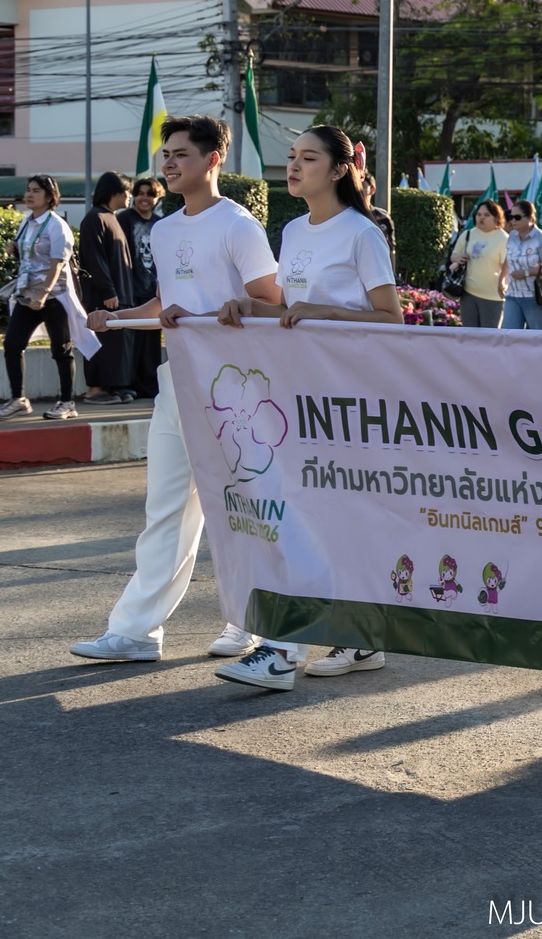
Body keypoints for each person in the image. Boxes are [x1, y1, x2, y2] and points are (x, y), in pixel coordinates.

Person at [70, 116, 282, 663]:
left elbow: (273, 302)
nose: (168, 163)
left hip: (235, 393)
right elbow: (166, 305)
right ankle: (136, 632)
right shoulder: (164, 230)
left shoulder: (238, 225)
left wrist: (228, 310)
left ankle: (248, 622)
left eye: (181, 153)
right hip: (177, 380)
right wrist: (115, 318)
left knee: (242, 509)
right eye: (166, 154)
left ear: (214, 159)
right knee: (165, 511)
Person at [211, 125, 404, 688]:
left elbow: (391, 319)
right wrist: (250, 306)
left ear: (341, 169)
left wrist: (327, 313)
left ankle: (283, 651)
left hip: (350, 396)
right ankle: (360, 640)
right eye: (292, 157)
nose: (293, 166)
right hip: (297, 393)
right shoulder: (294, 230)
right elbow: (293, 310)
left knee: (322, 517)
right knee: (313, 517)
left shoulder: (362, 233)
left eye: (308, 158)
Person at [1, 175, 84, 421]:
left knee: (61, 349)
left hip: (54, 296)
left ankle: (67, 402)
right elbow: (29, 255)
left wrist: (44, 292)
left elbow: (58, 263)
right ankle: (18, 400)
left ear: (50, 196)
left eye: (36, 191)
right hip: (27, 294)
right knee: (12, 345)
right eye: (28, 190)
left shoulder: (57, 225)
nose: (29, 194)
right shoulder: (26, 222)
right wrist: (14, 247)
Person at [76, 172, 138, 403]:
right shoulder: (94, 218)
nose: (129, 196)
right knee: (101, 340)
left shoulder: (111, 217)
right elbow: (95, 259)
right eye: (126, 191)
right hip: (103, 296)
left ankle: (114, 388)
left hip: (119, 294)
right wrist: (108, 291)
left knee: (115, 344)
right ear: (114, 192)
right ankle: (95, 390)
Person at [119, 177, 166, 398]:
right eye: (140, 193)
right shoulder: (124, 219)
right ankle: (129, 384)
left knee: (151, 344)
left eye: (150, 194)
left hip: (153, 292)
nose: (144, 198)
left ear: (157, 199)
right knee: (132, 343)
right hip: (131, 290)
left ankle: (149, 386)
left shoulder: (160, 224)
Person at [449, 200, 509, 329]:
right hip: (468, 293)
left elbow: (507, 264)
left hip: (493, 296)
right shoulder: (468, 234)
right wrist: (458, 258)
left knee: (489, 336)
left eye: (486, 215)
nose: (481, 218)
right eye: (479, 214)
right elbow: (453, 256)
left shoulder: (503, 238)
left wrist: (502, 281)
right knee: (469, 333)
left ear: (496, 218)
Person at [502, 200, 542, 331]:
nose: (513, 221)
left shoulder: (541, 239)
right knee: (508, 336)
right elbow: (508, 259)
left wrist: (526, 273)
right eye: (511, 217)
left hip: (534, 296)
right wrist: (502, 279)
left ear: (530, 218)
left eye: (517, 217)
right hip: (512, 294)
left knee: (540, 336)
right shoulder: (511, 235)